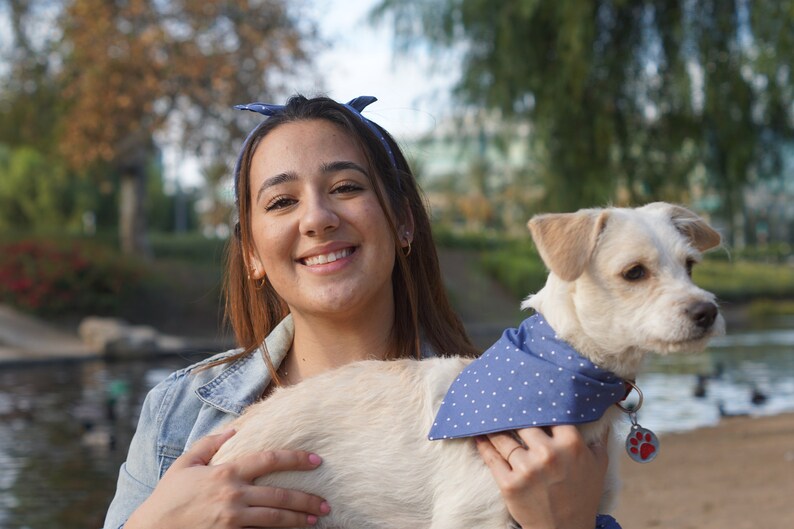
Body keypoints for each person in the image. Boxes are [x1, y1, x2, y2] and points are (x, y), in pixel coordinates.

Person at [103, 95, 620, 529]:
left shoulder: (520, 419)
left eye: (346, 188)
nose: (317, 219)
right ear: (253, 254)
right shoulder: (178, 414)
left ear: (403, 221)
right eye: (281, 201)